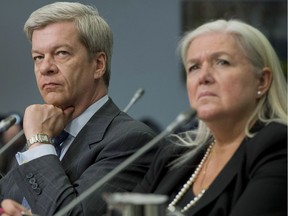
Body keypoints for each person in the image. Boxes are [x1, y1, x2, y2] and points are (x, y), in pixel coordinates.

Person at [0, 2, 158, 216]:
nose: (46, 67)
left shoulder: (132, 141)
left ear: (98, 64)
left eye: (61, 53)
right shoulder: (47, 135)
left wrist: (38, 140)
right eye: (38, 57)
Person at [133, 19, 287, 216]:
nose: (203, 77)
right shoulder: (174, 155)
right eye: (194, 67)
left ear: (262, 81)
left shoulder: (278, 147)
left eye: (222, 62)